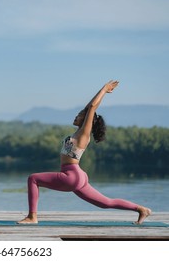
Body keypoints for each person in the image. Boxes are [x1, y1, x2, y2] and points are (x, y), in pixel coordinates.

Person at [19, 80, 152, 224]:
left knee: (33, 179)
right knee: (105, 203)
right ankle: (141, 209)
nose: (76, 116)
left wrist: (104, 89)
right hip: (77, 176)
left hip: (71, 175)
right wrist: (99, 95)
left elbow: (92, 107)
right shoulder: (78, 132)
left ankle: (32, 217)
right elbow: (89, 107)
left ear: (87, 120)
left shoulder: (84, 134)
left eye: (79, 115)